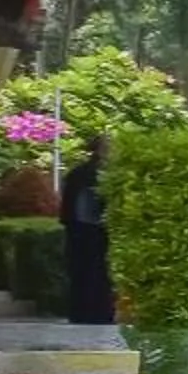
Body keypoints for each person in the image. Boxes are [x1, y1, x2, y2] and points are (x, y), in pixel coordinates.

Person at [60, 134, 114, 326]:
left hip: (82, 230)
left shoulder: (79, 173)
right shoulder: (93, 174)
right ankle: (93, 313)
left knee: (86, 273)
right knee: (93, 272)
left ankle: (84, 312)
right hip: (90, 230)